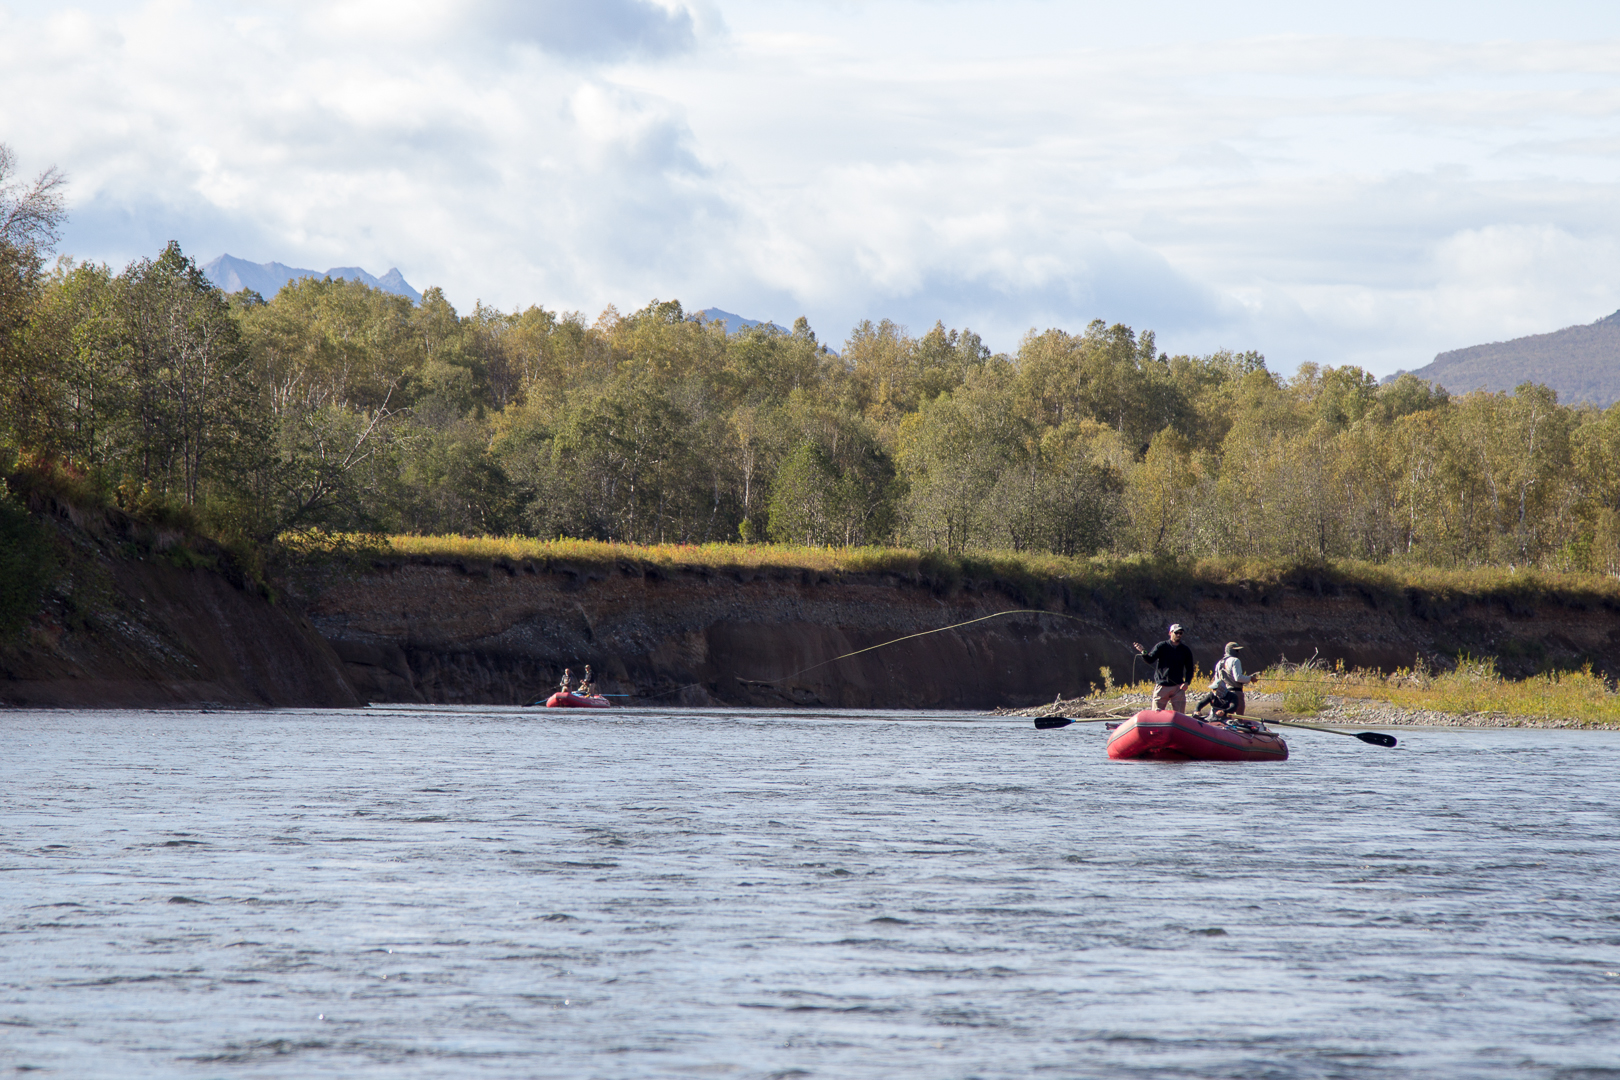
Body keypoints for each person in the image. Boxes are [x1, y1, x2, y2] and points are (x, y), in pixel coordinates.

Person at [1132, 623, 1195, 714]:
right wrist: (1143, 651)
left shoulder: (1185, 650)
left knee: (1180, 715)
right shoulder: (1161, 646)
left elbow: (1190, 669)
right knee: (1156, 715)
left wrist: (1187, 682)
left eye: (1180, 633)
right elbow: (1150, 660)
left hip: (1178, 687)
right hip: (1162, 687)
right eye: (1176, 632)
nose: (1178, 635)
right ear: (1170, 633)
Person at [1211, 641, 1259, 718]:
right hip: (1235, 693)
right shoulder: (1235, 660)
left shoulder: (1219, 663)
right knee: (1238, 718)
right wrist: (1250, 678)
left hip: (1222, 694)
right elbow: (1238, 678)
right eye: (1236, 650)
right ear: (1230, 650)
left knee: (1225, 717)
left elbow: (1216, 681)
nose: (1238, 652)